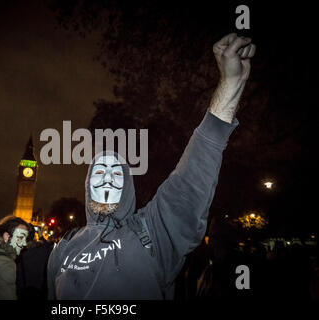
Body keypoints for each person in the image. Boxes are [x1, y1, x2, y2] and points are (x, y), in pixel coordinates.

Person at [47, 33, 256, 299]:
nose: (108, 178)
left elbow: (191, 176)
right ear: (88, 185)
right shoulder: (63, 248)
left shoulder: (152, 232)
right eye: (99, 171)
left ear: (128, 186)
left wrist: (230, 82)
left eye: (117, 173)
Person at [16, 226, 54, 299]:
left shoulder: (19, 251)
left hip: (21, 292)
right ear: (33, 235)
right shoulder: (41, 250)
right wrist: (41, 236)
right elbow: (49, 249)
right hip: (38, 291)